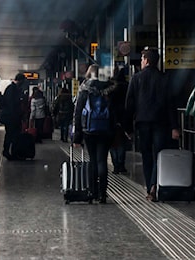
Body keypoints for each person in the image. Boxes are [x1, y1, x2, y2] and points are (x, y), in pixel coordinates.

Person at [124, 47, 180, 202]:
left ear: (146, 60)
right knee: (159, 155)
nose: (141, 62)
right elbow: (171, 104)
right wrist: (175, 126)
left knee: (146, 155)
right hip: (161, 123)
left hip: (142, 123)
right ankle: (155, 184)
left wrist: (128, 128)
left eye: (142, 59)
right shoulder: (165, 79)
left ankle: (149, 187)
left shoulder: (136, 78)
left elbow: (129, 105)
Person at [73, 64, 117, 204]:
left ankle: (93, 191)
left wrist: (77, 137)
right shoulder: (110, 88)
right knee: (102, 160)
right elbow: (115, 112)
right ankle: (103, 194)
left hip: (89, 130)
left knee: (92, 161)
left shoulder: (84, 88)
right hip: (106, 129)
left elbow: (78, 113)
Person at [0, 73, 26, 160]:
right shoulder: (12, 89)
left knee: (11, 135)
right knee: (12, 135)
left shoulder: (12, 88)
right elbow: (12, 105)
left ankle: (10, 152)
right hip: (11, 117)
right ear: (20, 80)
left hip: (12, 117)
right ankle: (9, 152)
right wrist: (17, 116)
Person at [109, 67, 129, 174]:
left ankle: (116, 165)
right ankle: (121, 165)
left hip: (111, 119)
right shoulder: (127, 87)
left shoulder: (110, 88)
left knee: (112, 144)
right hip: (124, 118)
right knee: (121, 143)